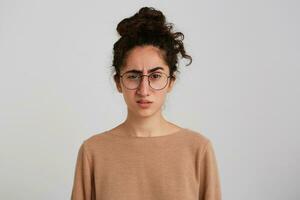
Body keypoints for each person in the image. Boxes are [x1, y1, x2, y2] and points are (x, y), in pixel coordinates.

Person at [71, 6, 222, 200]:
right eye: (133, 76)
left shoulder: (198, 149)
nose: (144, 90)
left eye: (155, 76)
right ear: (118, 82)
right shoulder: (93, 151)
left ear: (171, 82)